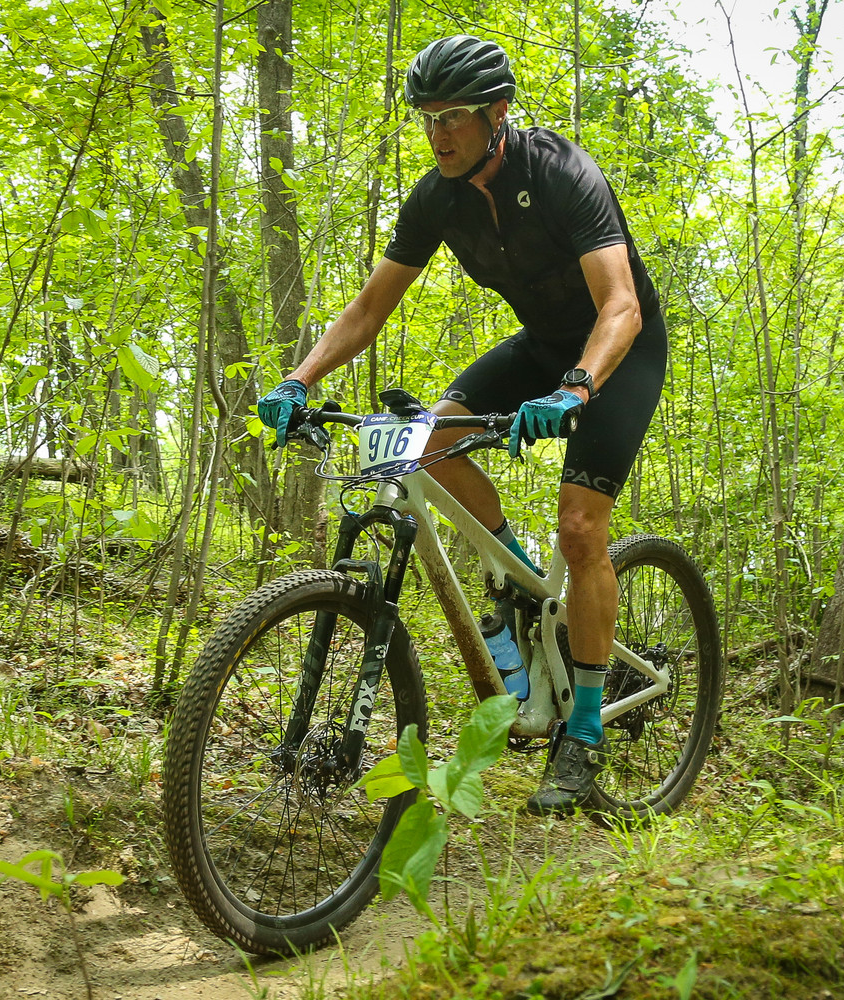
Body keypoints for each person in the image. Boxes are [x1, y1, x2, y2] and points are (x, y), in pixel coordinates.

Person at [256, 34, 667, 813]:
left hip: (619, 351)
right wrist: (298, 379)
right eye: (428, 118)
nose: (438, 133)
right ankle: (515, 578)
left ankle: (582, 734)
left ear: (497, 113)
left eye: (453, 117)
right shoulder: (437, 197)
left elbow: (620, 304)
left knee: (581, 529)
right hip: (541, 346)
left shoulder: (558, 171)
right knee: (431, 437)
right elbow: (369, 309)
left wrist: (577, 389)